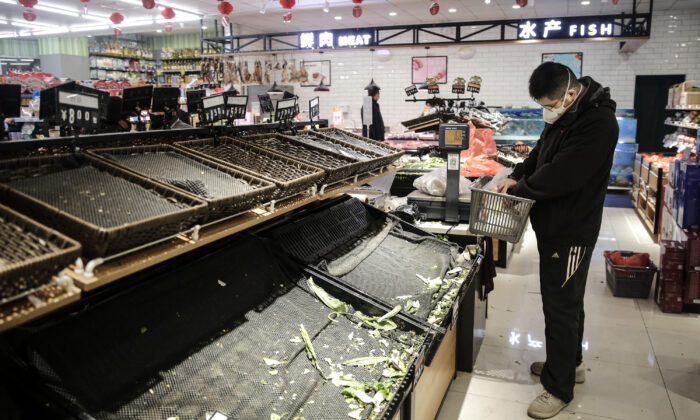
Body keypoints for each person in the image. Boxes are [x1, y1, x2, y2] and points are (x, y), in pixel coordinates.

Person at [494, 62, 619, 419]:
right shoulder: (567, 117)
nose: (548, 111)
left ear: (570, 92)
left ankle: (558, 388)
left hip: (572, 229)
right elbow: (540, 153)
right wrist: (518, 173)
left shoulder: (598, 123)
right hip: (555, 225)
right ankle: (570, 364)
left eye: (551, 104)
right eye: (544, 106)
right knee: (568, 300)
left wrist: (520, 189)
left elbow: (564, 173)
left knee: (560, 307)